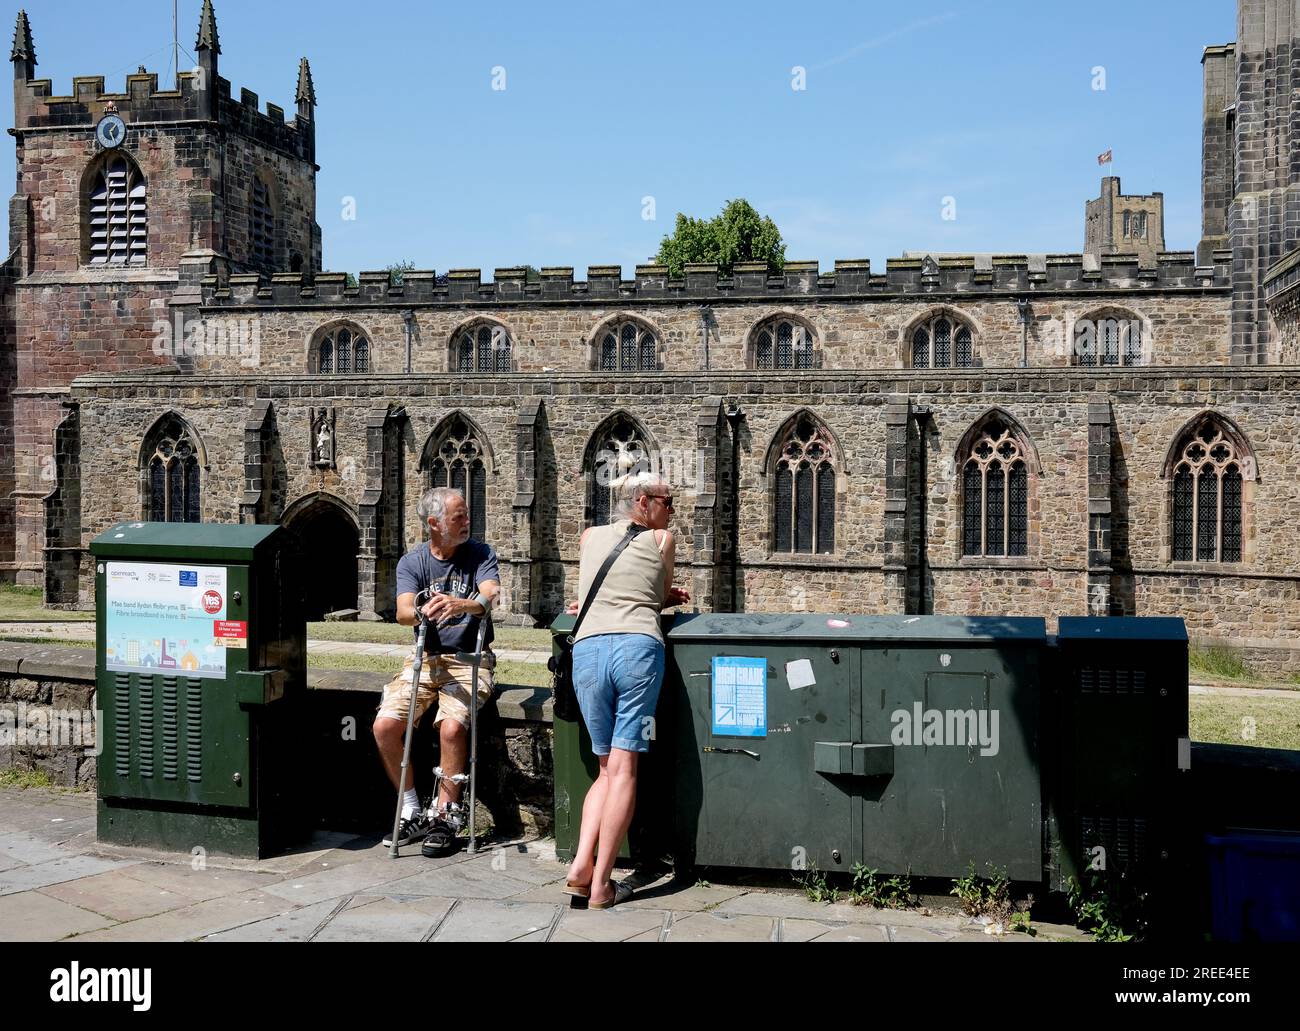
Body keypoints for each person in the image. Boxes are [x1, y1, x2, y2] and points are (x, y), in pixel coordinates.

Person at [564, 473, 689, 908]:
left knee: (604, 768)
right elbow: (654, 597)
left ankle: (580, 865)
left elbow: (598, 592)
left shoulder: (589, 536)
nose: (672, 511)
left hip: (588, 651)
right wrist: (670, 598)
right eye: (667, 502)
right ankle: (601, 884)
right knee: (625, 769)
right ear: (643, 502)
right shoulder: (661, 540)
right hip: (636, 649)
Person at [373, 486, 500, 855]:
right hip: (426, 659)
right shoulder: (412, 562)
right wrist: (424, 609)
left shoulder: (480, 553)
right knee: (384, 726)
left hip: (469, 661)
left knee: (451, 726)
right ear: (434, 524)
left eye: (466, 515)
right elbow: (401, 612)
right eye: (458, 516)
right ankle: (411, 809)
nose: (467, 521)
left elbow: (491, 594)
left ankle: (446, 816)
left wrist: (463, 604)